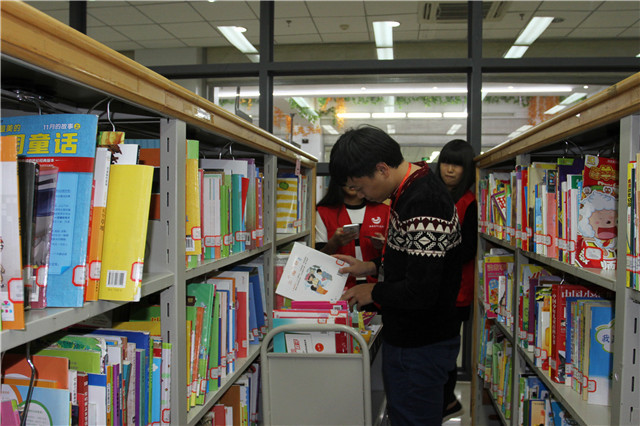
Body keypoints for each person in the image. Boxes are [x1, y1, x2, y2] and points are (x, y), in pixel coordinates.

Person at [329, 125, 463, 425]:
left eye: (359, 186)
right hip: (417, 341)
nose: (360, 195)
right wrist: (370, 266)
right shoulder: (412, 188)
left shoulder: (424, 202)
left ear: (381, 169)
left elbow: (421, 291)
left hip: (420, 344)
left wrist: (372, 291)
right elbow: (417, 258)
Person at [434, 139, 478, 422]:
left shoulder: (469, 202)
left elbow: (468, 248)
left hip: (457, 290)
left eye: (457, 165)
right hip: (433, 287)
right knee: (436, 346)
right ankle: (444, 400)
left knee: (446, 348)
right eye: (446, 162)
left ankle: (446, 401)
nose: (449, 169)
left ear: (467, 170)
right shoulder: (433, 196)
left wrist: (434, 255)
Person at [315, 177, 389, 288]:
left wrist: (382, 247)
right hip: (338, 284)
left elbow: (395, 256)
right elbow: (317, 259)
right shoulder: (323, 212)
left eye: (356, 176)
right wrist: (333, 244)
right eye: (347, 177)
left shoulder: (385, 211)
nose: (352, 182)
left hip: (376, 284)